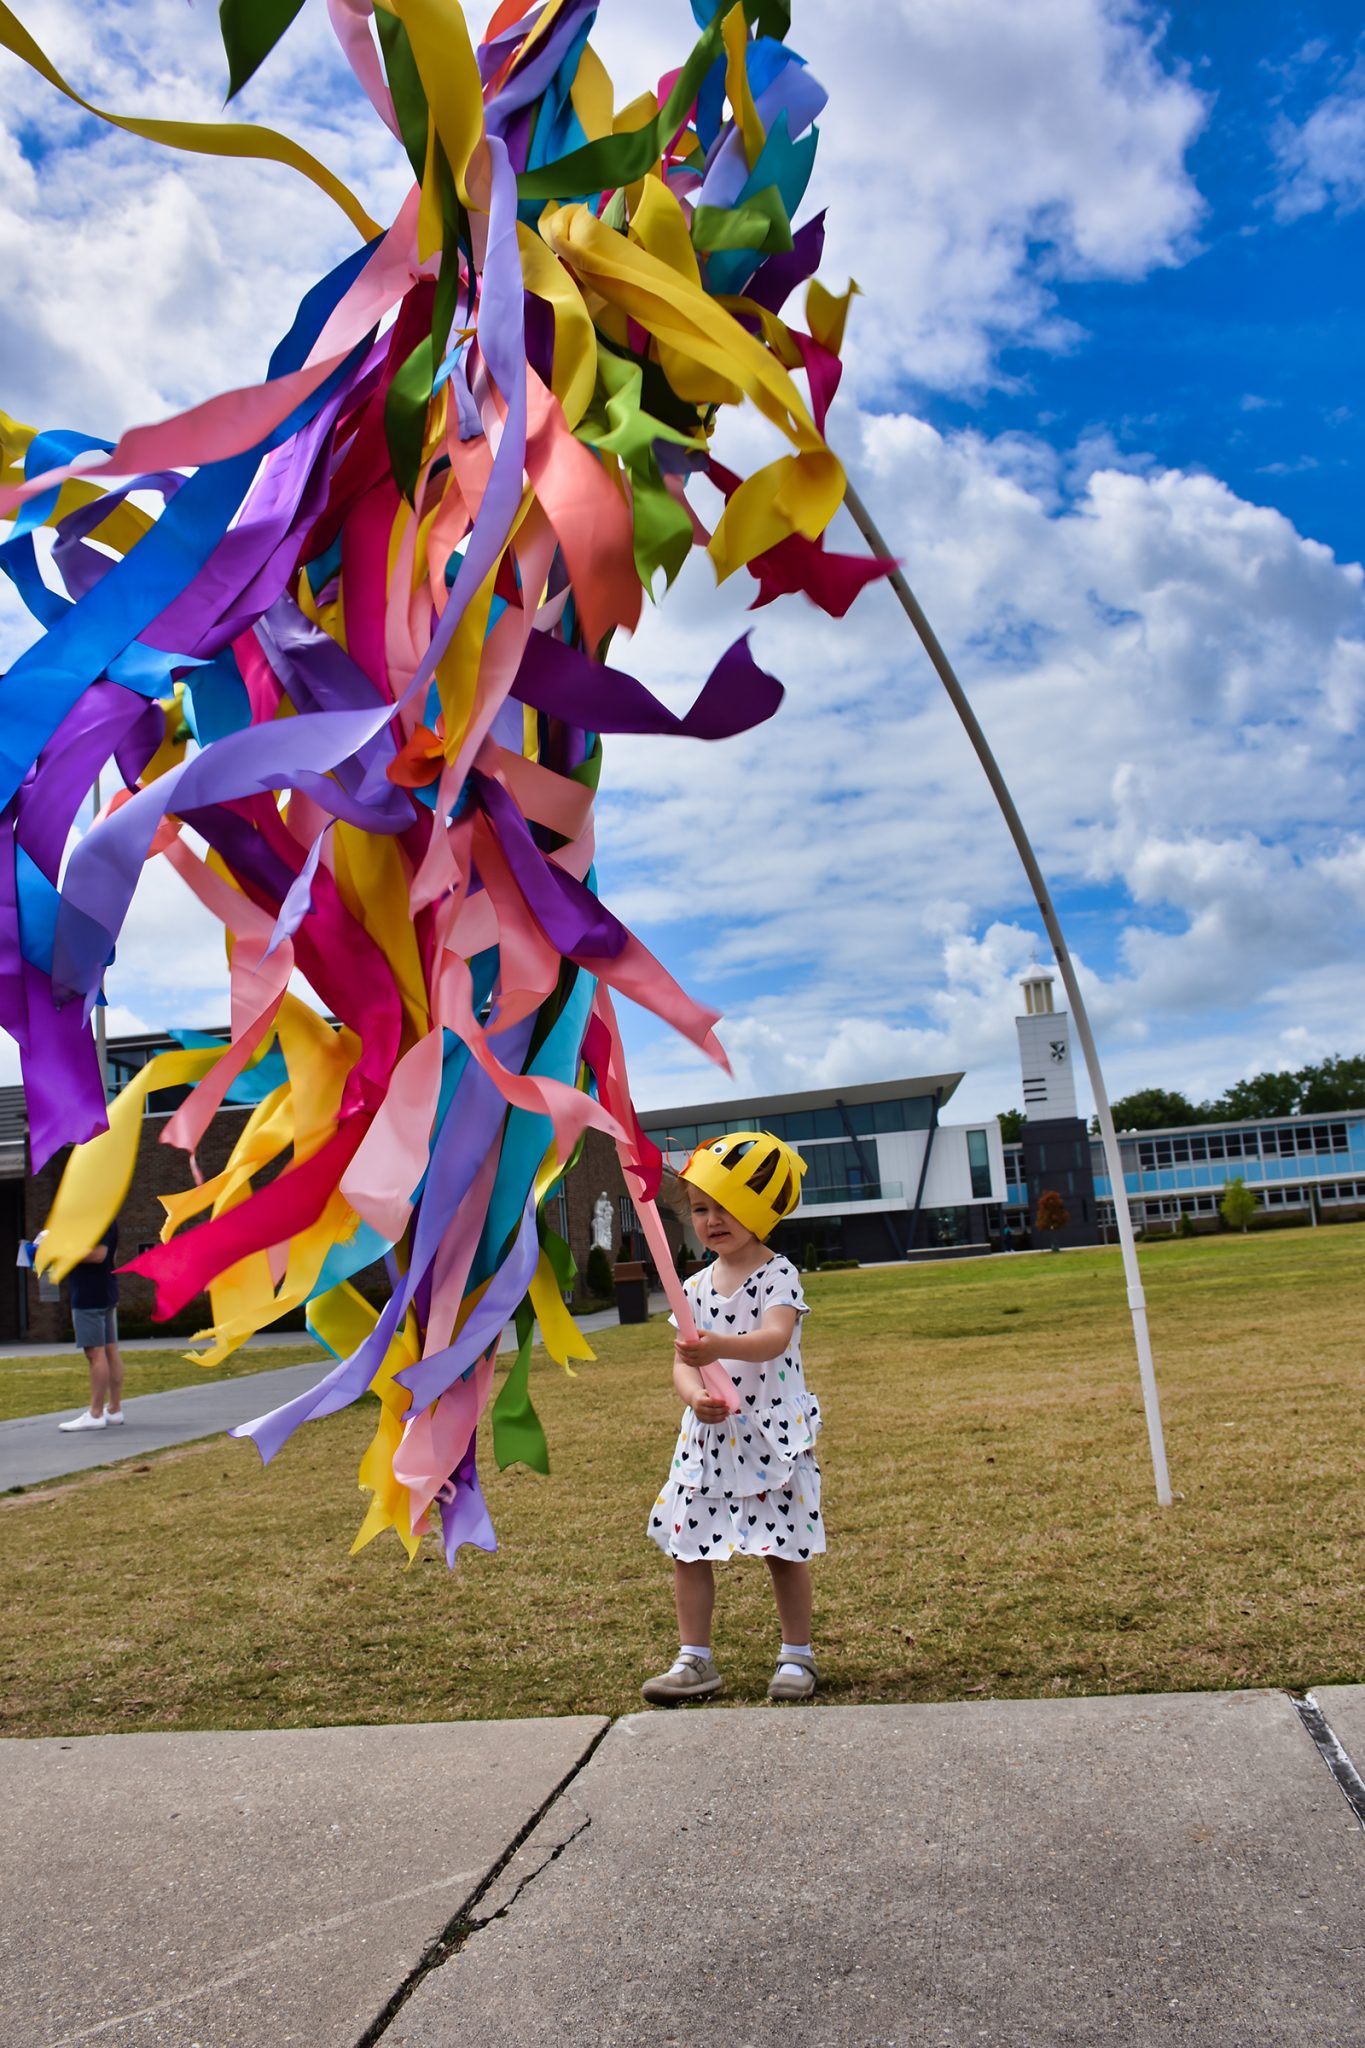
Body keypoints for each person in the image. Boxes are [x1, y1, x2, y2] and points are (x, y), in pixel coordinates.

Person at [643, 1130, 823, 1706]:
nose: (713, 1219)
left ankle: (797, 1655)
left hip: (768, 1437)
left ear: (762, 1210)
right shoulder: (691, 1287)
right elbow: (682, 1366)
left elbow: (773, 1338)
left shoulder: (777, 1274)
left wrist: (717, 1344)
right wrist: (694, 1394)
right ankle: (694, 1658)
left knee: (782, 1550)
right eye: (700, 1208)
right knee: (688, 1549)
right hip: (707, 1441)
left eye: (727, 1206)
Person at [57, 1221, 125, 1432]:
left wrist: (60, 1250)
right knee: (110, 1350)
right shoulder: (111, 1219)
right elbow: (112, 1257)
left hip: (89, 1294)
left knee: (95, 1354)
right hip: (106, 1289)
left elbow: (98, 1254)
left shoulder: (98, 1218)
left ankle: (95, 1413)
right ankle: (113, 1409)